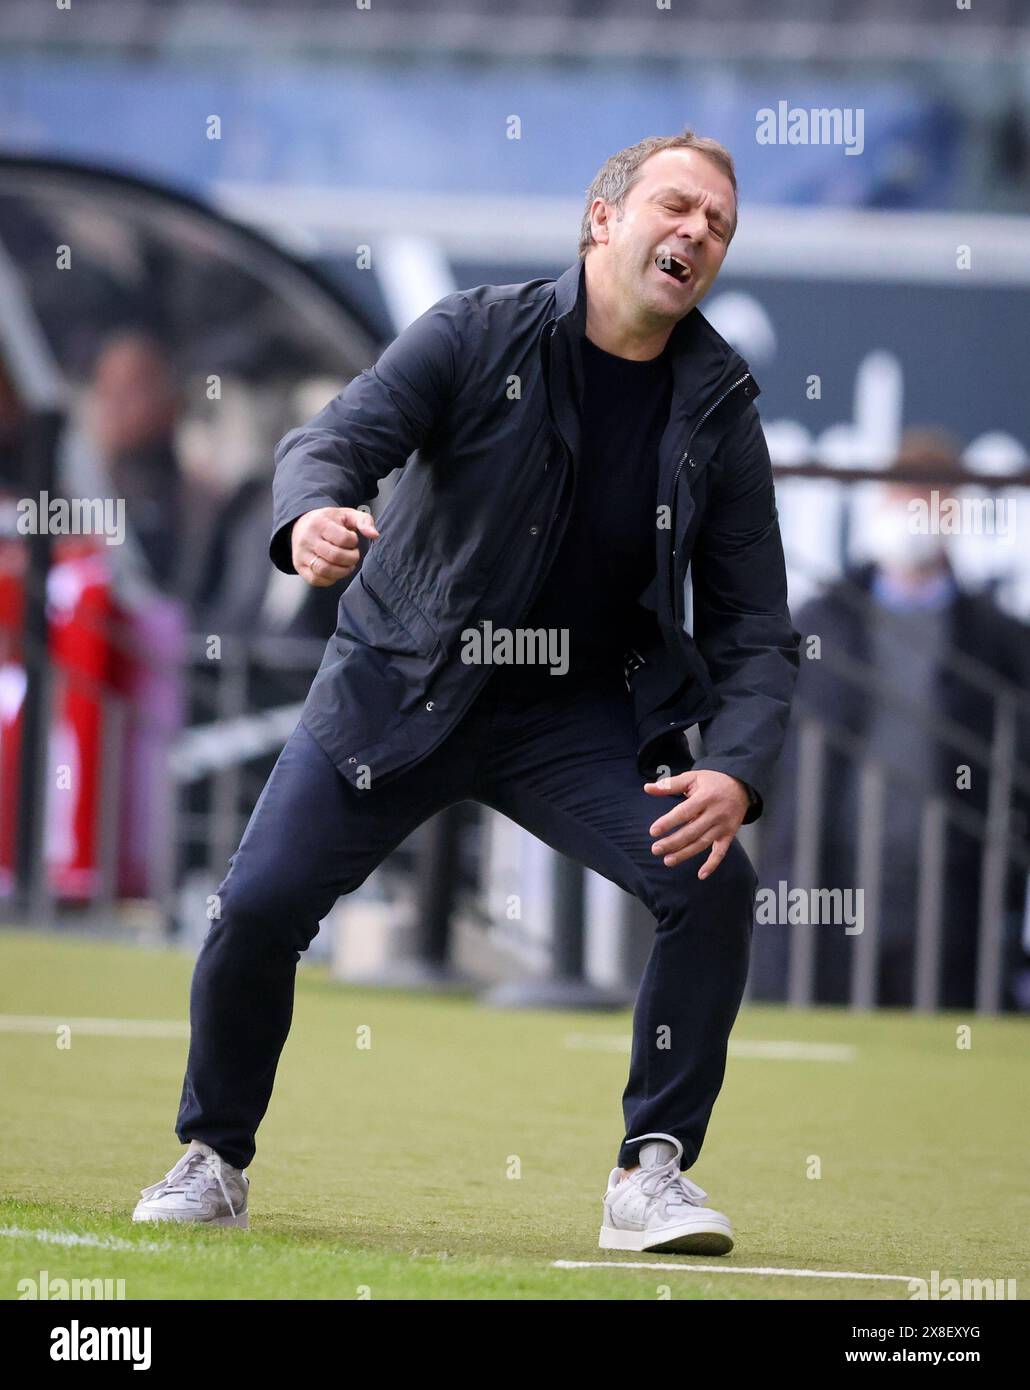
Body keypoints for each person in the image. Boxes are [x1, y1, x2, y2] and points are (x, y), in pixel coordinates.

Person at [132, 130, 800, 1255]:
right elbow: (334, 439)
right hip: (400, 683)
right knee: (255, 908)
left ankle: (651, 1173)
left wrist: (734, 766)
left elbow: (754, 626)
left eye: (718, 225)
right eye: (676, 207)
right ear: (603, 220)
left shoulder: (719, 404)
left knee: (713, 883)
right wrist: (311, 520)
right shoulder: (475, 329)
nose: (696, 234)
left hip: (575, 716)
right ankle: (213, 1156)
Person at [753, 429, 1030, 1008]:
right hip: (821, 889)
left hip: (949, 901)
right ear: (879, 503)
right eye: (905, 495)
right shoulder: (819, 620)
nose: (917, 513)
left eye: (933, 499)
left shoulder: (998, 642)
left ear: (955, 513)